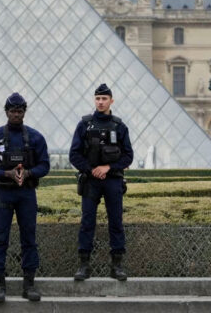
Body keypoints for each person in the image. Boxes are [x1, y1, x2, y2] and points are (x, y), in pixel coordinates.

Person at [0, 92, 50, 303]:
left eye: (20, 111)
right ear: (6, 112)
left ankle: (29, 284)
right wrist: (6, 174)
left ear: (24, 112)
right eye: (13, 111)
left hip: (26, 193)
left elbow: (45, 166)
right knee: (0, 239)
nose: (16, 115)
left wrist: (28, 173)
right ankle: (0, 284)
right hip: (3, 192)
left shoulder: (36, 138)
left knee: (29, 239)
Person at [69, 83, 134, 281]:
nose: (100, 102)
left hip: (113, 180)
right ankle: (84, 266)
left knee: (116, 222)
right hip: (90, 181)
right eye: (97, 98)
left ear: (111, 101)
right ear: (94, 100)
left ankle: (117, 266)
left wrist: (108, 168)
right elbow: (74, 155)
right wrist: (91, 170)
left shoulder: (120, 126)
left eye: (104, 99)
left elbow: (128, 156)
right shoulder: (84, 125)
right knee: (87, 222)